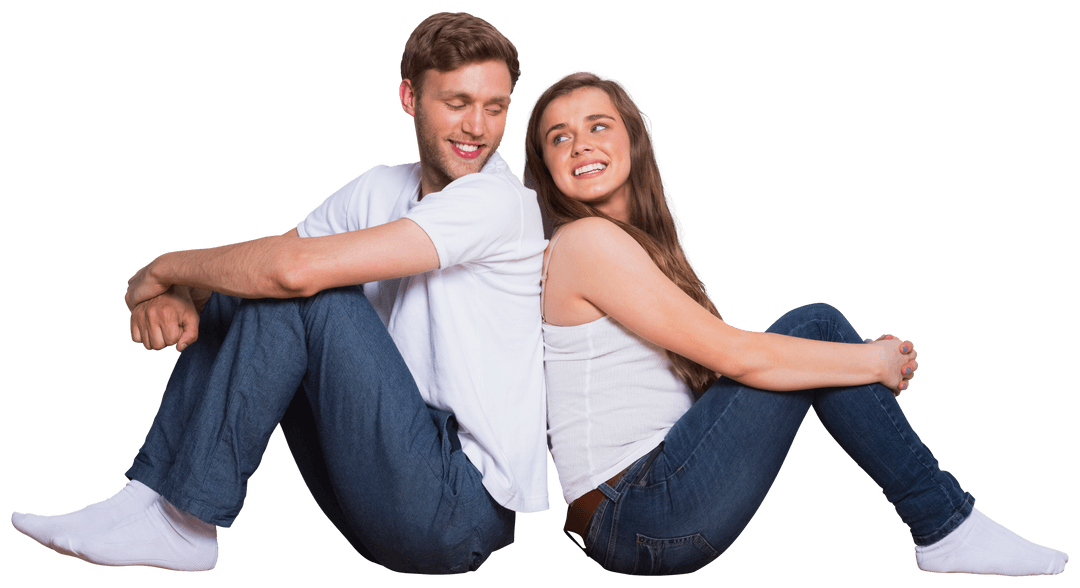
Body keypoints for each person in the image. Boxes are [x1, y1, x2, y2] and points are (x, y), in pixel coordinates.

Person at [11, 12, 548, 574]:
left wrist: (164, 268)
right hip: (379, 491)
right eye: (458, 103)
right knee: (251, 285)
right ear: (409, 97)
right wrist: (183, 291)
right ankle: (148, 500)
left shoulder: (498, 202)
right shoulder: (380, 187)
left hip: (458, 506)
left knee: (306, 290)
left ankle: (184, 522)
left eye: (496, 108)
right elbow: (260, 268)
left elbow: (292, 273)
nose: (477, 127)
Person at [523, 70, 1068, 577]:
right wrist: (867, 361)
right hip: (636, 507)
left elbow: (727, 381)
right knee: (816, 326)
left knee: (820, 347)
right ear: (545, 165)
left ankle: (946, 525)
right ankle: (945, 523)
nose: (580, 144)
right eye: (559, 137)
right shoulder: (585, 242)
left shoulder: (635, 248)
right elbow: (739, 357)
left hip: (643, 509)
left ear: (635, 139)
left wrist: (852, 363)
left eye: (598, 126)